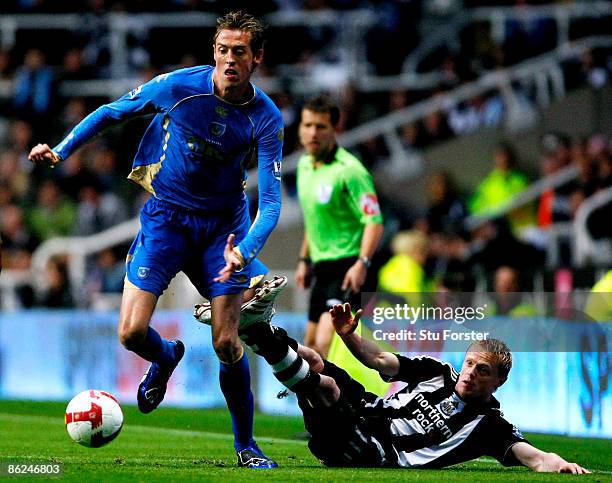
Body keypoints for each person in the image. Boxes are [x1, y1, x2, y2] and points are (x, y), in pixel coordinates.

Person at [29, 11, 283, 469]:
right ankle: (166, 357)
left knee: (228, 343)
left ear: (257, 58)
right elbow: (111, 112)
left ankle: (246, 446)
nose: (229, 60)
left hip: (222, 233)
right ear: (214, 52)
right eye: (223, 50)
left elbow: (271, 204)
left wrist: (244, 251)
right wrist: (62, 149)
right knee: (130, 332)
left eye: (239, 52)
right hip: (166, 220)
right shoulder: (178, 86)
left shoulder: (266, 118)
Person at [236, 302, 590, 473]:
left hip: (375, 452)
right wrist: (348, 336)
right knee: (313, 360)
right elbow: (378, 360)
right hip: (367, 412)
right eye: (470, 364)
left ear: (499, 381)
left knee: (325, 388)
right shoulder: (437, 371)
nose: (470, 373)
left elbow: (537, 458)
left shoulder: (489, 425)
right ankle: (255, 332)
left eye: (482, 371)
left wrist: (562, 465)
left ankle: (259, 333)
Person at [294, 95, 384, 358]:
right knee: (309, 345)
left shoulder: (351, 171)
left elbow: (374, 221)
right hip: (321, 268)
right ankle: (318, 399)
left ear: (335, 129)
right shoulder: (303, 166)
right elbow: (315, 220)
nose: (313, 132)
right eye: (307, 125)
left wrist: (362, 263)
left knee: (325, 339)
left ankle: (341, 397)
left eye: (321, 127)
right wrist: (304, 259)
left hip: (347, 265)